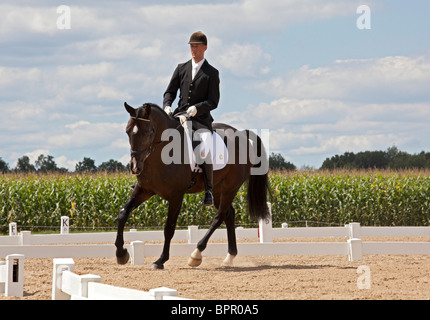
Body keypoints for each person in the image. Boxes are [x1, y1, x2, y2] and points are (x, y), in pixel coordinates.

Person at [163, 31, 220, 206]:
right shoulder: (181, 68)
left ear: (205, 48)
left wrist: (197, 108)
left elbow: (213, 101)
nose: (193, 49)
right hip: (180, 116)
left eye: (196, 46)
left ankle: (209, 190)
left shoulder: (211, 73)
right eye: (191, 46)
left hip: (200, 120)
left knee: (202, 149)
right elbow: (170, 91)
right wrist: (167, 105)